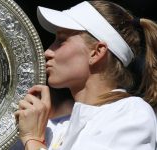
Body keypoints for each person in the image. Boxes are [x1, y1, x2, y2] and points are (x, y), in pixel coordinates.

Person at [15, 1, 157, 150]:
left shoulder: (131, 114)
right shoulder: (55, 128)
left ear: (97, 52)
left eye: (61, 41)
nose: (47, 52)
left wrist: (34, 140)